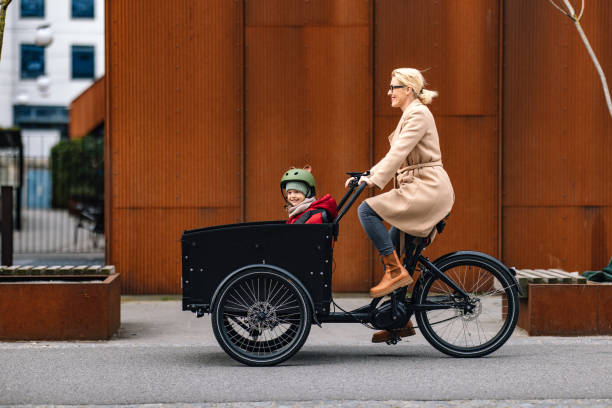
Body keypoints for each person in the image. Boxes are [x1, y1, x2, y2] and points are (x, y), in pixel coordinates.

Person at [345, 68, 454, 343]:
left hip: (427, 189)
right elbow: (391, 156)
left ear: (408, 89)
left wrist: (373, 181)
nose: (389, 92)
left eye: (393, 87)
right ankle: (400, 319)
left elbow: (398, 153)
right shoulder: (411, 114)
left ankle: (394, 272)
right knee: (396, 244)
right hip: (417, 187)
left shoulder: (418, 114)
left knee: (366, 210)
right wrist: (366, 175)